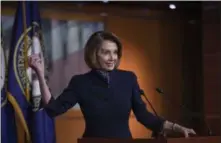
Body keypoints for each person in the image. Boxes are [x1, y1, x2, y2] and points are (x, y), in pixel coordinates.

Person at [28, 31, 196, 138]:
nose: (112, 58)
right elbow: (53, 109)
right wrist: (41, 75)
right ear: (94, 54)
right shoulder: (80, 82)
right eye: (106, 52)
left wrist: (175, 127)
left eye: (115, 52)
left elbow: (144, 116)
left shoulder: (128, 79)